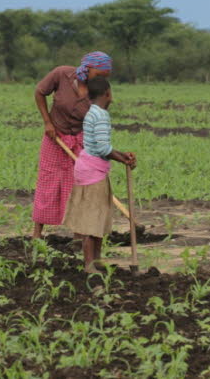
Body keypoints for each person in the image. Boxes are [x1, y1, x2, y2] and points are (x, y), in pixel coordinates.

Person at [32, 51, 113, 239]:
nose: (101, 80)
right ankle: (37, 233)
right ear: (88, 68)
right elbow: (39, 92)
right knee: (48, 182)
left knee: (78, 184)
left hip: (81, 140)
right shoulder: (62, 74)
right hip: (55, 136)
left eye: (105, 77)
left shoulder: (98, 90)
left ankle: (79, 234)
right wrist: (48, 122)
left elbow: (100, 117)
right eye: (99, 74)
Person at [63, 76, 136, 273]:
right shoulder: (101, 115)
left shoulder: (92, 112)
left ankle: (96, 260)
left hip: (88, 168)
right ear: (108, 94)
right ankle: (89, 264)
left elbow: (99, 146)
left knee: (99, 216)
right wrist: (122, 159)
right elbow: (103, 148)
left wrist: (122, 155)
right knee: (92, 219)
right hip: (93, 173)